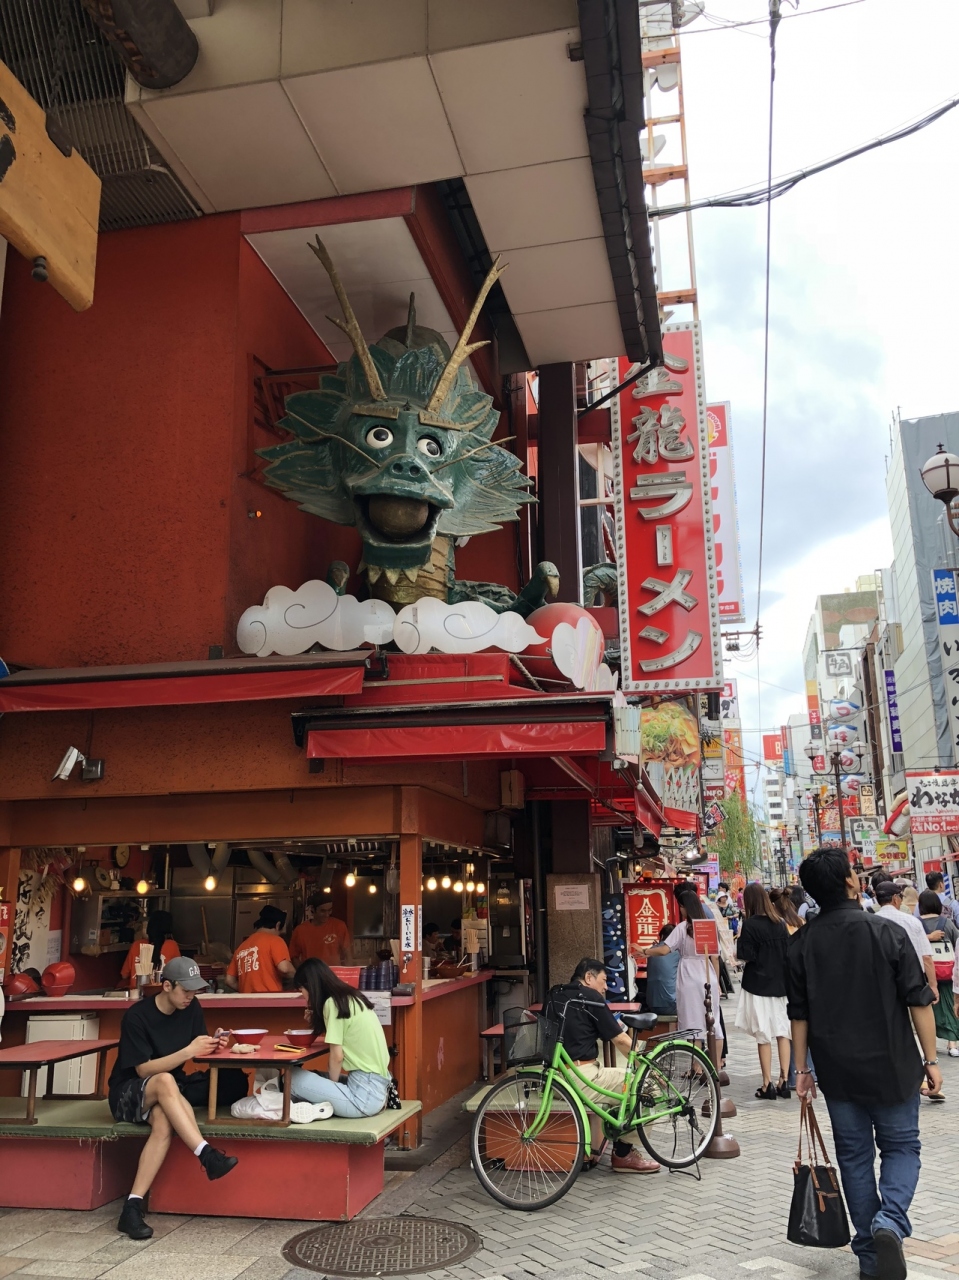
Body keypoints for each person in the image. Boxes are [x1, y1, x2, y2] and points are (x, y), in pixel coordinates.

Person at [788, 847, 940, 1280]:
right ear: (850, 883)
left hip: (837, 1071)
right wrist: (931, 1060)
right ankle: (889, 1221)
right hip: (894, 1065)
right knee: (902, 1147)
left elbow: (798, 1015)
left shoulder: (801, 944)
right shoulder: (887, 932)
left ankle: (871, 1259)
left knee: (854, 1159)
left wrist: (801, 1071)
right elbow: (919, 1001)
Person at [108, 957, 246, 1240]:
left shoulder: (192, 1008)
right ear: (167, 986)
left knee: (163, 1122)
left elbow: (196, 1051)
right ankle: (206, 1155)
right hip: (128, 1093)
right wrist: (188, 1051)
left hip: (168, 1091)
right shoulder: (136, 1016)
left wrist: (214, 1044)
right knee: (165, 1080)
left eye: (194, 990)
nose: (190, 996)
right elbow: (143, 1070)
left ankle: (131, 1208)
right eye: (185, 990)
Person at [544, 958, 660, 1174]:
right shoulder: (591, 997)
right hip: (582, 1077)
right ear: (589, 977)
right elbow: (621, 1041)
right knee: (647, 1087)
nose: (606, 987)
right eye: (604, 980)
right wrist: (649, 1068)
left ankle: (618, 1132)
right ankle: (623, 1154)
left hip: (556, 1078)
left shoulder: (554, 994)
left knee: (620, 1081)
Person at [288, 958, 392, 1120]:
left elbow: (337, 1057)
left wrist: (332, 1087)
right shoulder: (351, 997)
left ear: (311, 985)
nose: (302, 994)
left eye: (301, 988)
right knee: (311, 1076)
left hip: (363, 1098)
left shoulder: (333, 1003)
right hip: (375, 1088)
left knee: (292, 1078)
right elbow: (344, 1035)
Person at [736, 883, 791, 1100]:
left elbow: (746, 955)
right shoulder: (780, 923)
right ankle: (784, 1080)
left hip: (758, 985)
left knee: (763, 1034)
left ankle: (767, 1084)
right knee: (782, 1032)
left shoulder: (750, 924)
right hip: (781, 986)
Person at [643, 894, 721, 1046]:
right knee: (714, 1024)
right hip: (708, 974)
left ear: (686, 908)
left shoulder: (682, 928)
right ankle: (715, 1061)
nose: (680, 910)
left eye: (681, 906)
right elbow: (715, 958)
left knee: (693, 1025)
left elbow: (664, 950)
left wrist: (645, 951)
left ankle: (696, 1061)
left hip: (689, 976)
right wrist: (716, 982)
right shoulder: (709, 927)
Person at [916, 889, 959, 1063]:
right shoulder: (946, 923)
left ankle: (930, 1048)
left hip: (924, 974)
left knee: (928, 1009)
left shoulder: (916, 924)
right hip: (947, 972)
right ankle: (952, 1044)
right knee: (949, 1006)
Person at [874, 882, 936, 994]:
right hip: (913, 981)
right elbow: (926, 957)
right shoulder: (912, 921)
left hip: (882, 984)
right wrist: (933, 986)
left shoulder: (870, 923)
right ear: (895, 898)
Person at [226, 906, 295, 993]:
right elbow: (284, 968)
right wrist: (298, 976)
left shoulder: (241, 947)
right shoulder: (275, 940)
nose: (279, 934)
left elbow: (229, 980)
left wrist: (246, 991)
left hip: (246, 1000)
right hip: (269, 999)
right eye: (280, 932)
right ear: (278, 925)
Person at [119, 910, 180, 990]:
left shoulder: (136, 945)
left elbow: (124, 975)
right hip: (163, 992)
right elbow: (179, 975)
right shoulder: (172, 945)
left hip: (136, 992)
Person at [289, 896, 352, 966]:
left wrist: (349, 971)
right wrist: (304, 971)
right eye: (323, 911)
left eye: (329, 910)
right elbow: (294, 957)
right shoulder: (300, 930)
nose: (327, 914)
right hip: (312, 971)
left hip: (334, 972)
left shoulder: (339, 926)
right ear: (313, 909)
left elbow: (347, 954)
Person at [643, 924, 679, 1016]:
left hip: (651, 1004)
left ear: (662, 936)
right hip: (671, 1005)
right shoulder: (678, 952)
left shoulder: (652, 950)